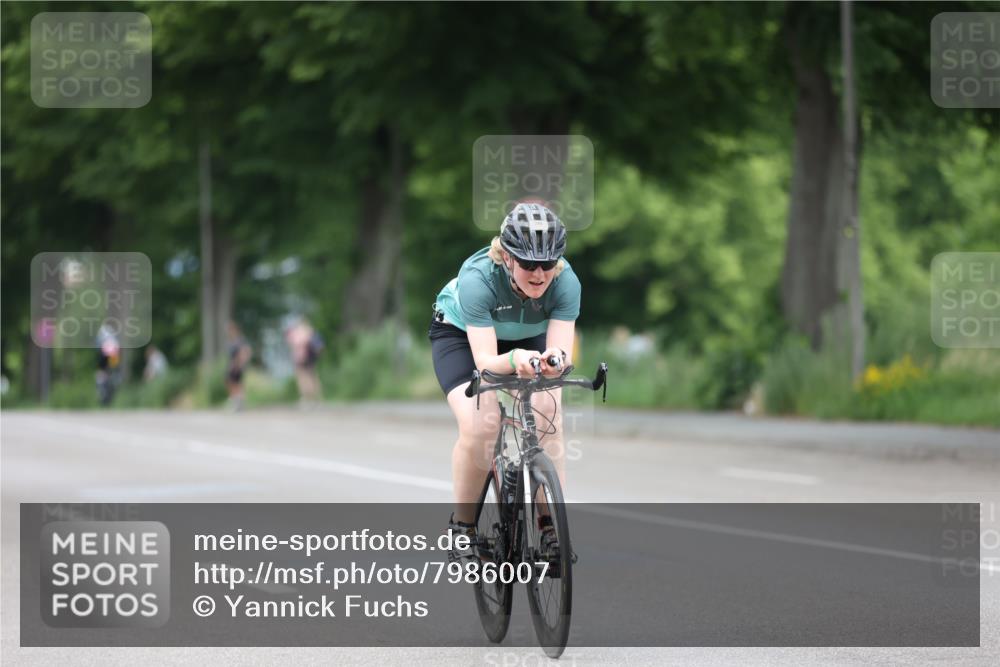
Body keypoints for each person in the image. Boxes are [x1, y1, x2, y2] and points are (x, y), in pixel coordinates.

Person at [429, 201, 580, 553]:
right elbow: (484, 362)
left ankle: (548, 527)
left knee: (550, 414)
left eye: (549, 263)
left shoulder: (566, 282)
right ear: (507, 257)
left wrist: (554, 362)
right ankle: (462, 527)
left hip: (526, 336)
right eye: (529, 264)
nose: (540, 274)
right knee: (483, 424)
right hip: (461, 335)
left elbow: (560, 352)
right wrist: (514, 359)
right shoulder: (477, 279)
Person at [285, 316, 323, 407]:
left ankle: (306, 398)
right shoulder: (311, 331)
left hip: (301, 356)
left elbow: (293, 342)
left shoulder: (297, 331)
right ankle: (317, 398)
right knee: (312, 376)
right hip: (311, 357)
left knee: (302, 378)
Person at [225, 321, 252, 411]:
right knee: (231, 383)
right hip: (232, 365)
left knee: (237, 384)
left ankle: (239, 403)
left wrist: (240, 363)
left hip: (237, 365)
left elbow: (246, 351)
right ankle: (236, 402)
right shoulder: (231, 341)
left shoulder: (240, 340)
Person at [95, 323, 121, 407]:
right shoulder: (113, 334)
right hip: (114, 354)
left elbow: (98, 347)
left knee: (101, 372)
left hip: (105, 354)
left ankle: (101, 386)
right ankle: (115, 379)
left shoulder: (101, 333)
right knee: (114, 370)